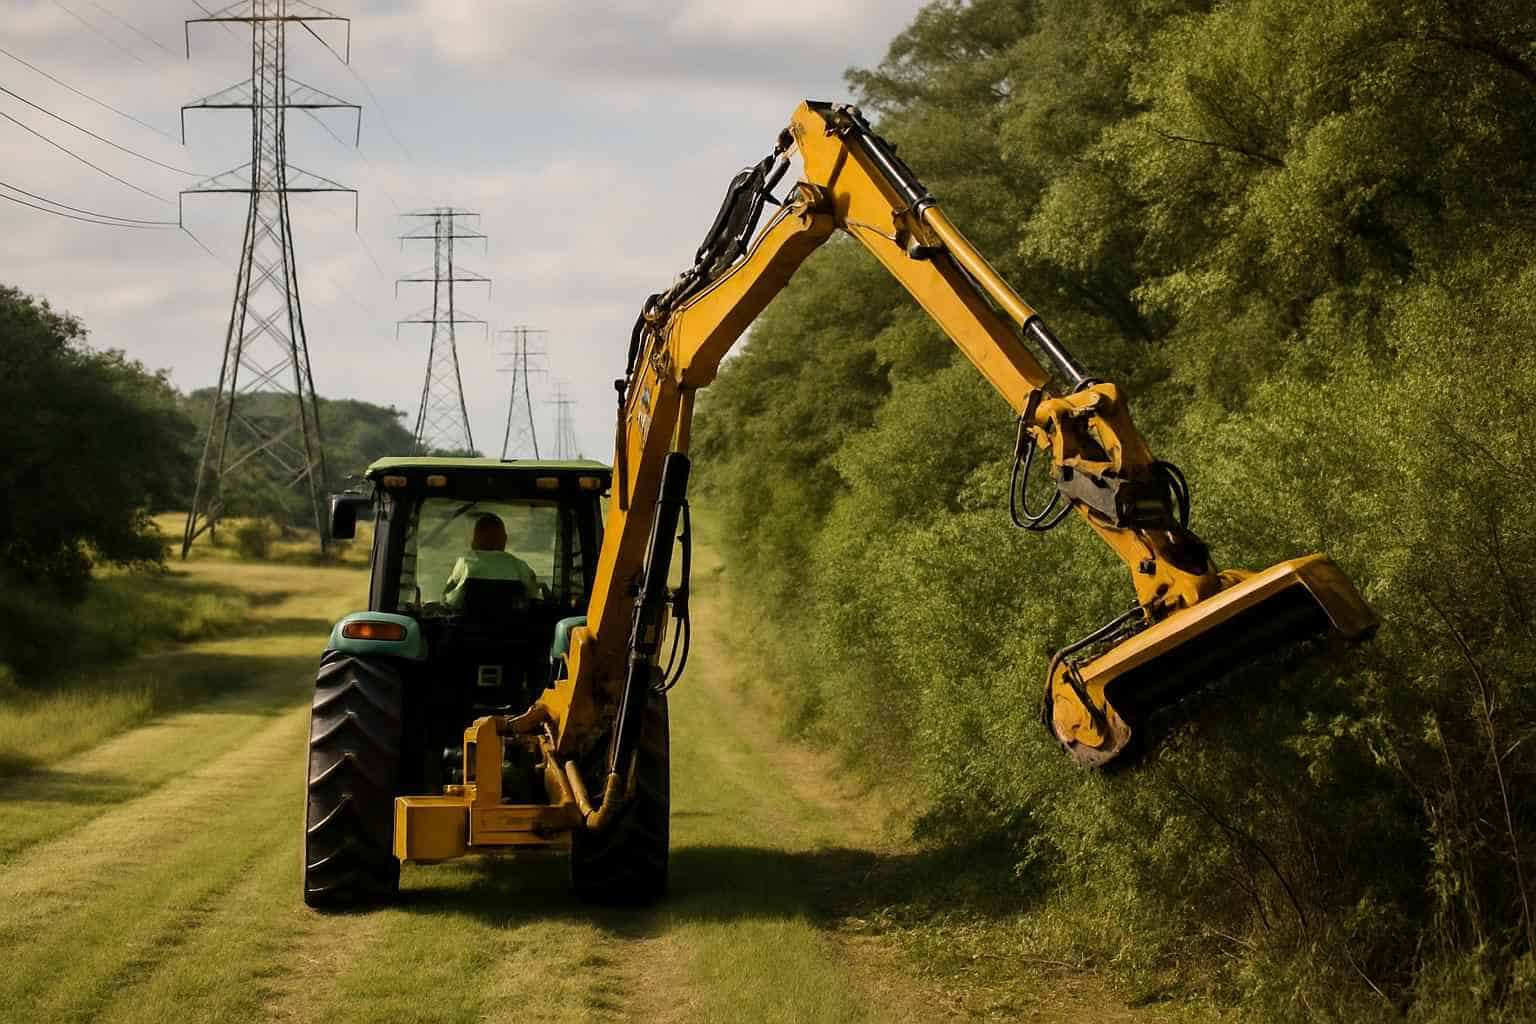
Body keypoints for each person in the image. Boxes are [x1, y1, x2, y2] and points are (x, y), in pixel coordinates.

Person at [442, 513, 540, 609]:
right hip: (509, 619)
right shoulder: (517, 565)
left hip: (470, 619)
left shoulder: (465, 562)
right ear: (503, 539)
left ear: (475, 539)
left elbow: (448, 597)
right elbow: (534, 594)